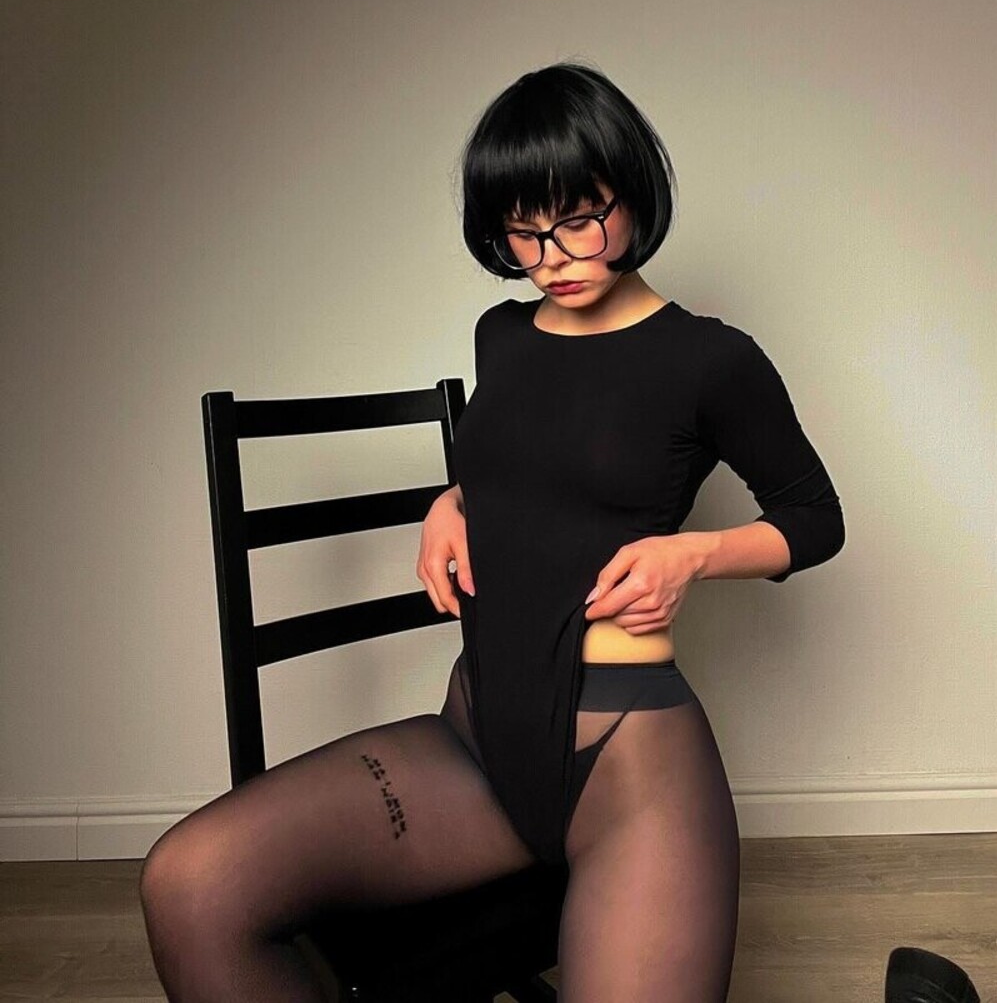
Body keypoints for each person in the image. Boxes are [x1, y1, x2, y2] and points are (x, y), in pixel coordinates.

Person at [138, 61, 845, 1002]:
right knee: (190, 884)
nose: (551, 255)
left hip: (625, 765)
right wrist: (454, 499)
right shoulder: (501, 336)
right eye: (523, 229)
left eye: (579, 218)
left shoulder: (710, 360)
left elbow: (815, 518)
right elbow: (526, 462)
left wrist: (695, 553)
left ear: (632, 194)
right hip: (475, 743)